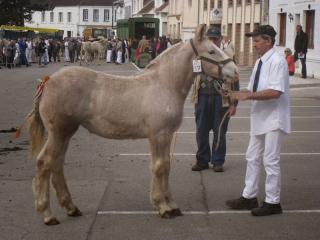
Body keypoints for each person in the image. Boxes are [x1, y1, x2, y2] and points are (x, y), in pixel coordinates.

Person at [225, 25, 290, 216]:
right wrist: (234, 93)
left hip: (273, 118)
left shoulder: (277, 61)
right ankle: (249, 196)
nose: (254, 45)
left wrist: (247, 97)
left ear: (268, 41)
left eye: (257, 41)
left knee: (270, 160)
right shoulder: (260, 62)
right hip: (260, 118)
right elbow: (251, 90)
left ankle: (273, 202)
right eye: (253, 41)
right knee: (252, 157)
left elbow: (275, 92)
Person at [191, 27, 239, 173]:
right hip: (202, 97)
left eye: (215, 39)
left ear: (220, 39)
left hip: (221, 98)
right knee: (201, 131)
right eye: (209, 38)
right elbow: (191, 74)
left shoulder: (228, 55)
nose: (212, 41)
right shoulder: (199, 55)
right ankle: (202, 159)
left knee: (220, 131)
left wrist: (234, 103)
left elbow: (235, 79)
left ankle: (217, 161)